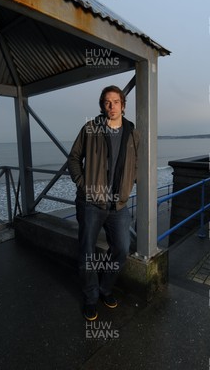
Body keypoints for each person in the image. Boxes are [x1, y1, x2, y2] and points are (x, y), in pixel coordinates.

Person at [67, 85, 139, 321]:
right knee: (87, 253)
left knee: (121, 249)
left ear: (123, 105)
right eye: (107, 102)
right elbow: (74, 157)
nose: (112, 106)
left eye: (116, 102)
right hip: (90, 203)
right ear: (102, 105)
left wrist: (130, 183)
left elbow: (137, 162)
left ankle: (104, 289)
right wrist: (83, 184)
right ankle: (90, 298)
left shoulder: (132, 132)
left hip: (118, 205)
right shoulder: (91, 128)